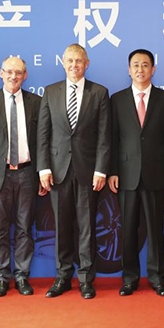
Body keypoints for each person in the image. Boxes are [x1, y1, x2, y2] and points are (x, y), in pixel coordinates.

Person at [37, 44, 110, 299]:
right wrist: (43, 168)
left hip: (88, 171)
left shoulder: (99, 93)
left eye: (79, 61)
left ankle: (86, 278)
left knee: (87, 226)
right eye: (69, 60)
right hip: (57, 172)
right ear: (62, 62)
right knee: (61, 226)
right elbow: (43, 134)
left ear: (86, 64)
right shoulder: (50, 92)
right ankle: (63, 276)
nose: (74, 65)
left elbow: (104, 136)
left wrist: (101, 170)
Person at [108, 49, 164, 297]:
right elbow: (112, 139)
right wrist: (113, 171)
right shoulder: (117, 100)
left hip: (156, 173)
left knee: (155, 229)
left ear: (153, 69)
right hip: (126, 175)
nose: (140, 69)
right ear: (129, 70)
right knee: (127, 229)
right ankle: (129, 278)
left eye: (145, 65)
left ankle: (158, 278)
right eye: (136, 65)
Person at [0, 57, 44, 297]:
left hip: (27, 173)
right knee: (0, 229)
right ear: (1, 73)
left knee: (25, 228)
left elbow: (43, 142)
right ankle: (1, 277)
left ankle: (22, 275)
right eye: (9, 72)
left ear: (25, 75)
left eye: (18, 72)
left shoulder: (36, 102)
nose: (13, 76)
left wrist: (42, 173)